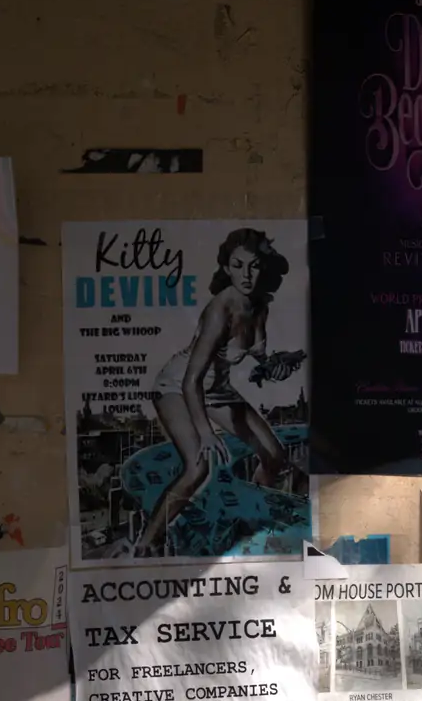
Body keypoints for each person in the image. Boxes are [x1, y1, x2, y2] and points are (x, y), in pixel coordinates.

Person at [126, 227, 299, 557]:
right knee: (198, 467)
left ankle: (247, 526)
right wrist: (205, 433)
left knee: (274, 456)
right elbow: (191, 381)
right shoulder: (220, 310)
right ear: (226, 268)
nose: (246, 274)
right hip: (178, 386)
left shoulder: (259, 304)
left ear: (263, 267)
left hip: (217, 390)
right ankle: (146, 543)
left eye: (253, 266)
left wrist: (277, 365)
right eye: (237, 265)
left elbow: (257, 355)